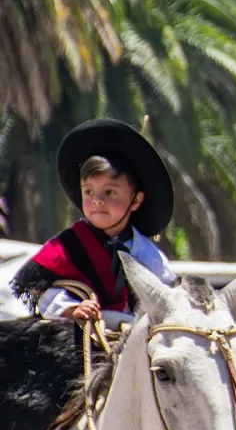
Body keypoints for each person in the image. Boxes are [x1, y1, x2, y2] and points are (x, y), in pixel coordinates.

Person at [10, 118, 176, 328]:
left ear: (136, 200)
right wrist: (69, 308)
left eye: (109, 192)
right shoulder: (66, 246)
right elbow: (43, 288)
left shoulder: (150, 255)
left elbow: (167, 298)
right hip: (77, 340)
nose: (97, 200)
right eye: (89, 191)